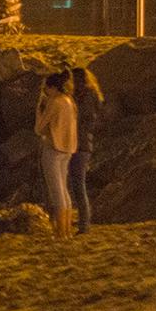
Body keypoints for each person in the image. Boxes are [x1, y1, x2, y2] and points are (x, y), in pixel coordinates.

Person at [34, 70, 77, 240]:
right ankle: (67, 231)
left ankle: (60, 233)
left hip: (53, 148)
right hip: (68, 148)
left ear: (52, 88)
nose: (45, 91)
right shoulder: (69, 101)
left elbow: (39, 129)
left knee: (56, 192)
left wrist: (39, 109)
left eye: (46, 88)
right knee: (64, 192)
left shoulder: (55, 102)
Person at [68, 66, 103, 235]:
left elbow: (87, 120)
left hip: (79, 144)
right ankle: (82, 222)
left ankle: (84, 224)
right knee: (76, 185)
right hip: (81, 143)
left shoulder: (84, 97)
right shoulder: (90, 96)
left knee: (78, 185)